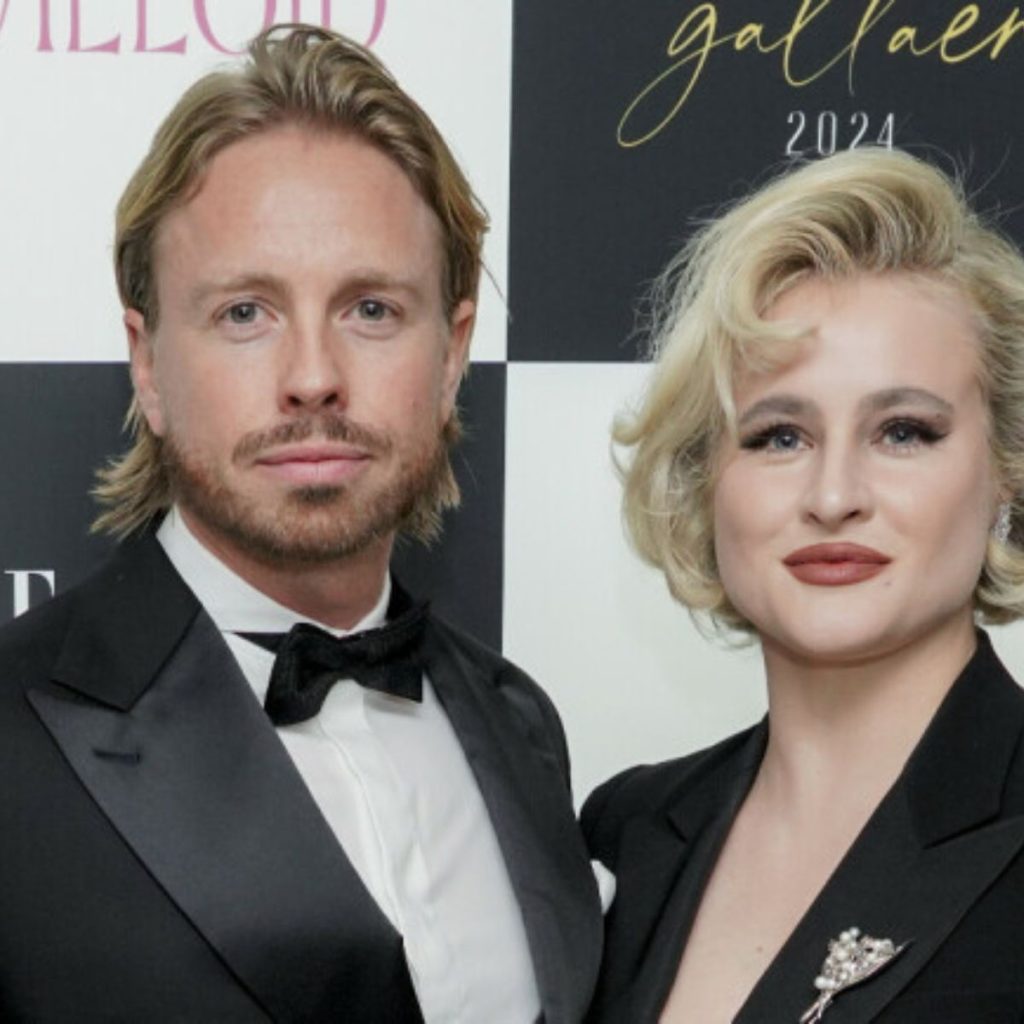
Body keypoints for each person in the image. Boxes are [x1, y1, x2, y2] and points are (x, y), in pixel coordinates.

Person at [0, 24, 602, 1024]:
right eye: (246, 313)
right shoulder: (13, 740)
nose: (313, 376)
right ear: (147, 365)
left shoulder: (520, 723)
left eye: (371, 309)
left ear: (452, 354)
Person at [583, 147, 1024, 1023]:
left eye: (903, 431)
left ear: (1007, 473)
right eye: (779, 437)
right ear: (706, 480)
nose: (833, 496)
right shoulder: (628, 831)